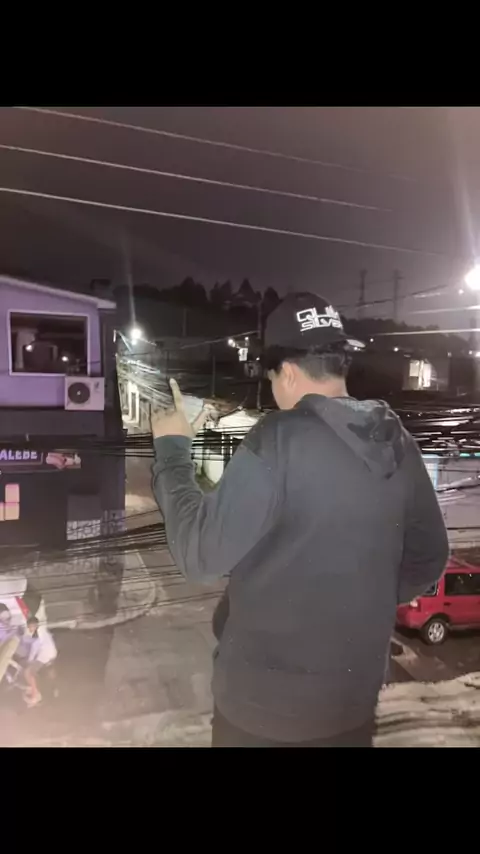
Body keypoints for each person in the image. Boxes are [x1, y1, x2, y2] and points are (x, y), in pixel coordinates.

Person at [151, 292, 449, 748]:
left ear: (287, 372)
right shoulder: (395, 439)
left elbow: (198, 555)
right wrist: (360, 604)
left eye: (271, 377)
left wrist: (172, 451)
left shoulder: (278, 440)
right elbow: (430, 555)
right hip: (352, 706)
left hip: (260, 714)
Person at [14, 616, 43, 707]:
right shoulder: (33, 637)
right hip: (26, 656)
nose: (30, 628)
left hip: (25, 656)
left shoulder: (36, 637)